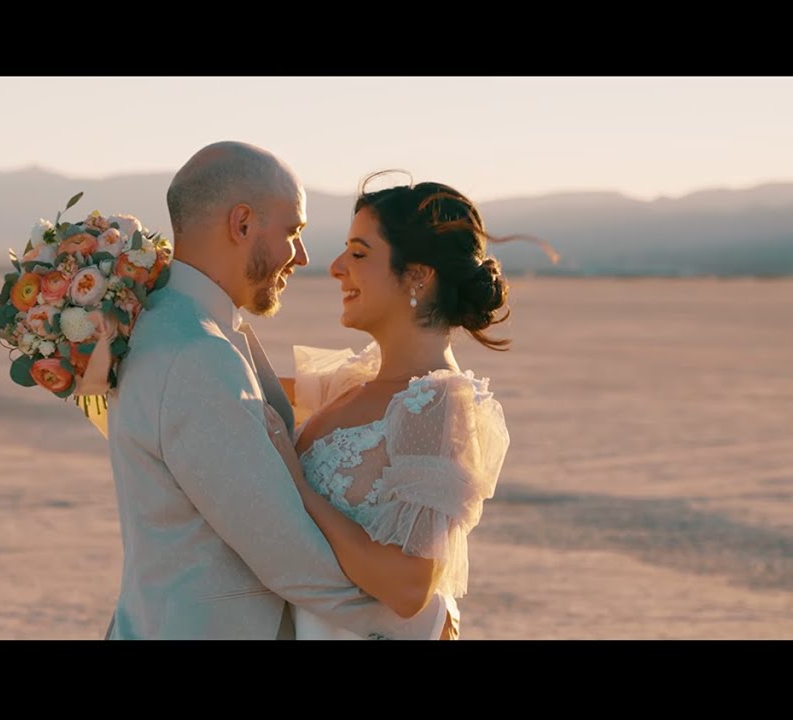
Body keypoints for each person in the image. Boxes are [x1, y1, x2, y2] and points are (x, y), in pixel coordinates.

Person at [101, 141, 390, 639]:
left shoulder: (163, 322)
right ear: (242, 224)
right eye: (292, 232)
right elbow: (283, 551)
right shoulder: (196, 353)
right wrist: (415, 620)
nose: (300, 256)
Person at [265, 174, 544, 639]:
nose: (336, 267)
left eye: (358, 253)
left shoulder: (434, 403)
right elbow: (230, 388)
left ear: (417, 274)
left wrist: (298, 489)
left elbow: (408, 585)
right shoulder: (354, 381)